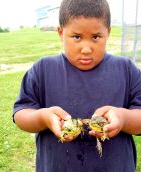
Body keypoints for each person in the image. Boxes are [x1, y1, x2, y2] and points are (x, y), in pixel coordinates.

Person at [13, 0, 141, 171]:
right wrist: (43, 117)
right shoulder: (43, 70)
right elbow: (21, 115)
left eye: (96, 37)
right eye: (77, 37)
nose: (86, 49)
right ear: (60, 33)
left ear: (108, 33)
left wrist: (123, 118)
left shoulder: (126, 69)